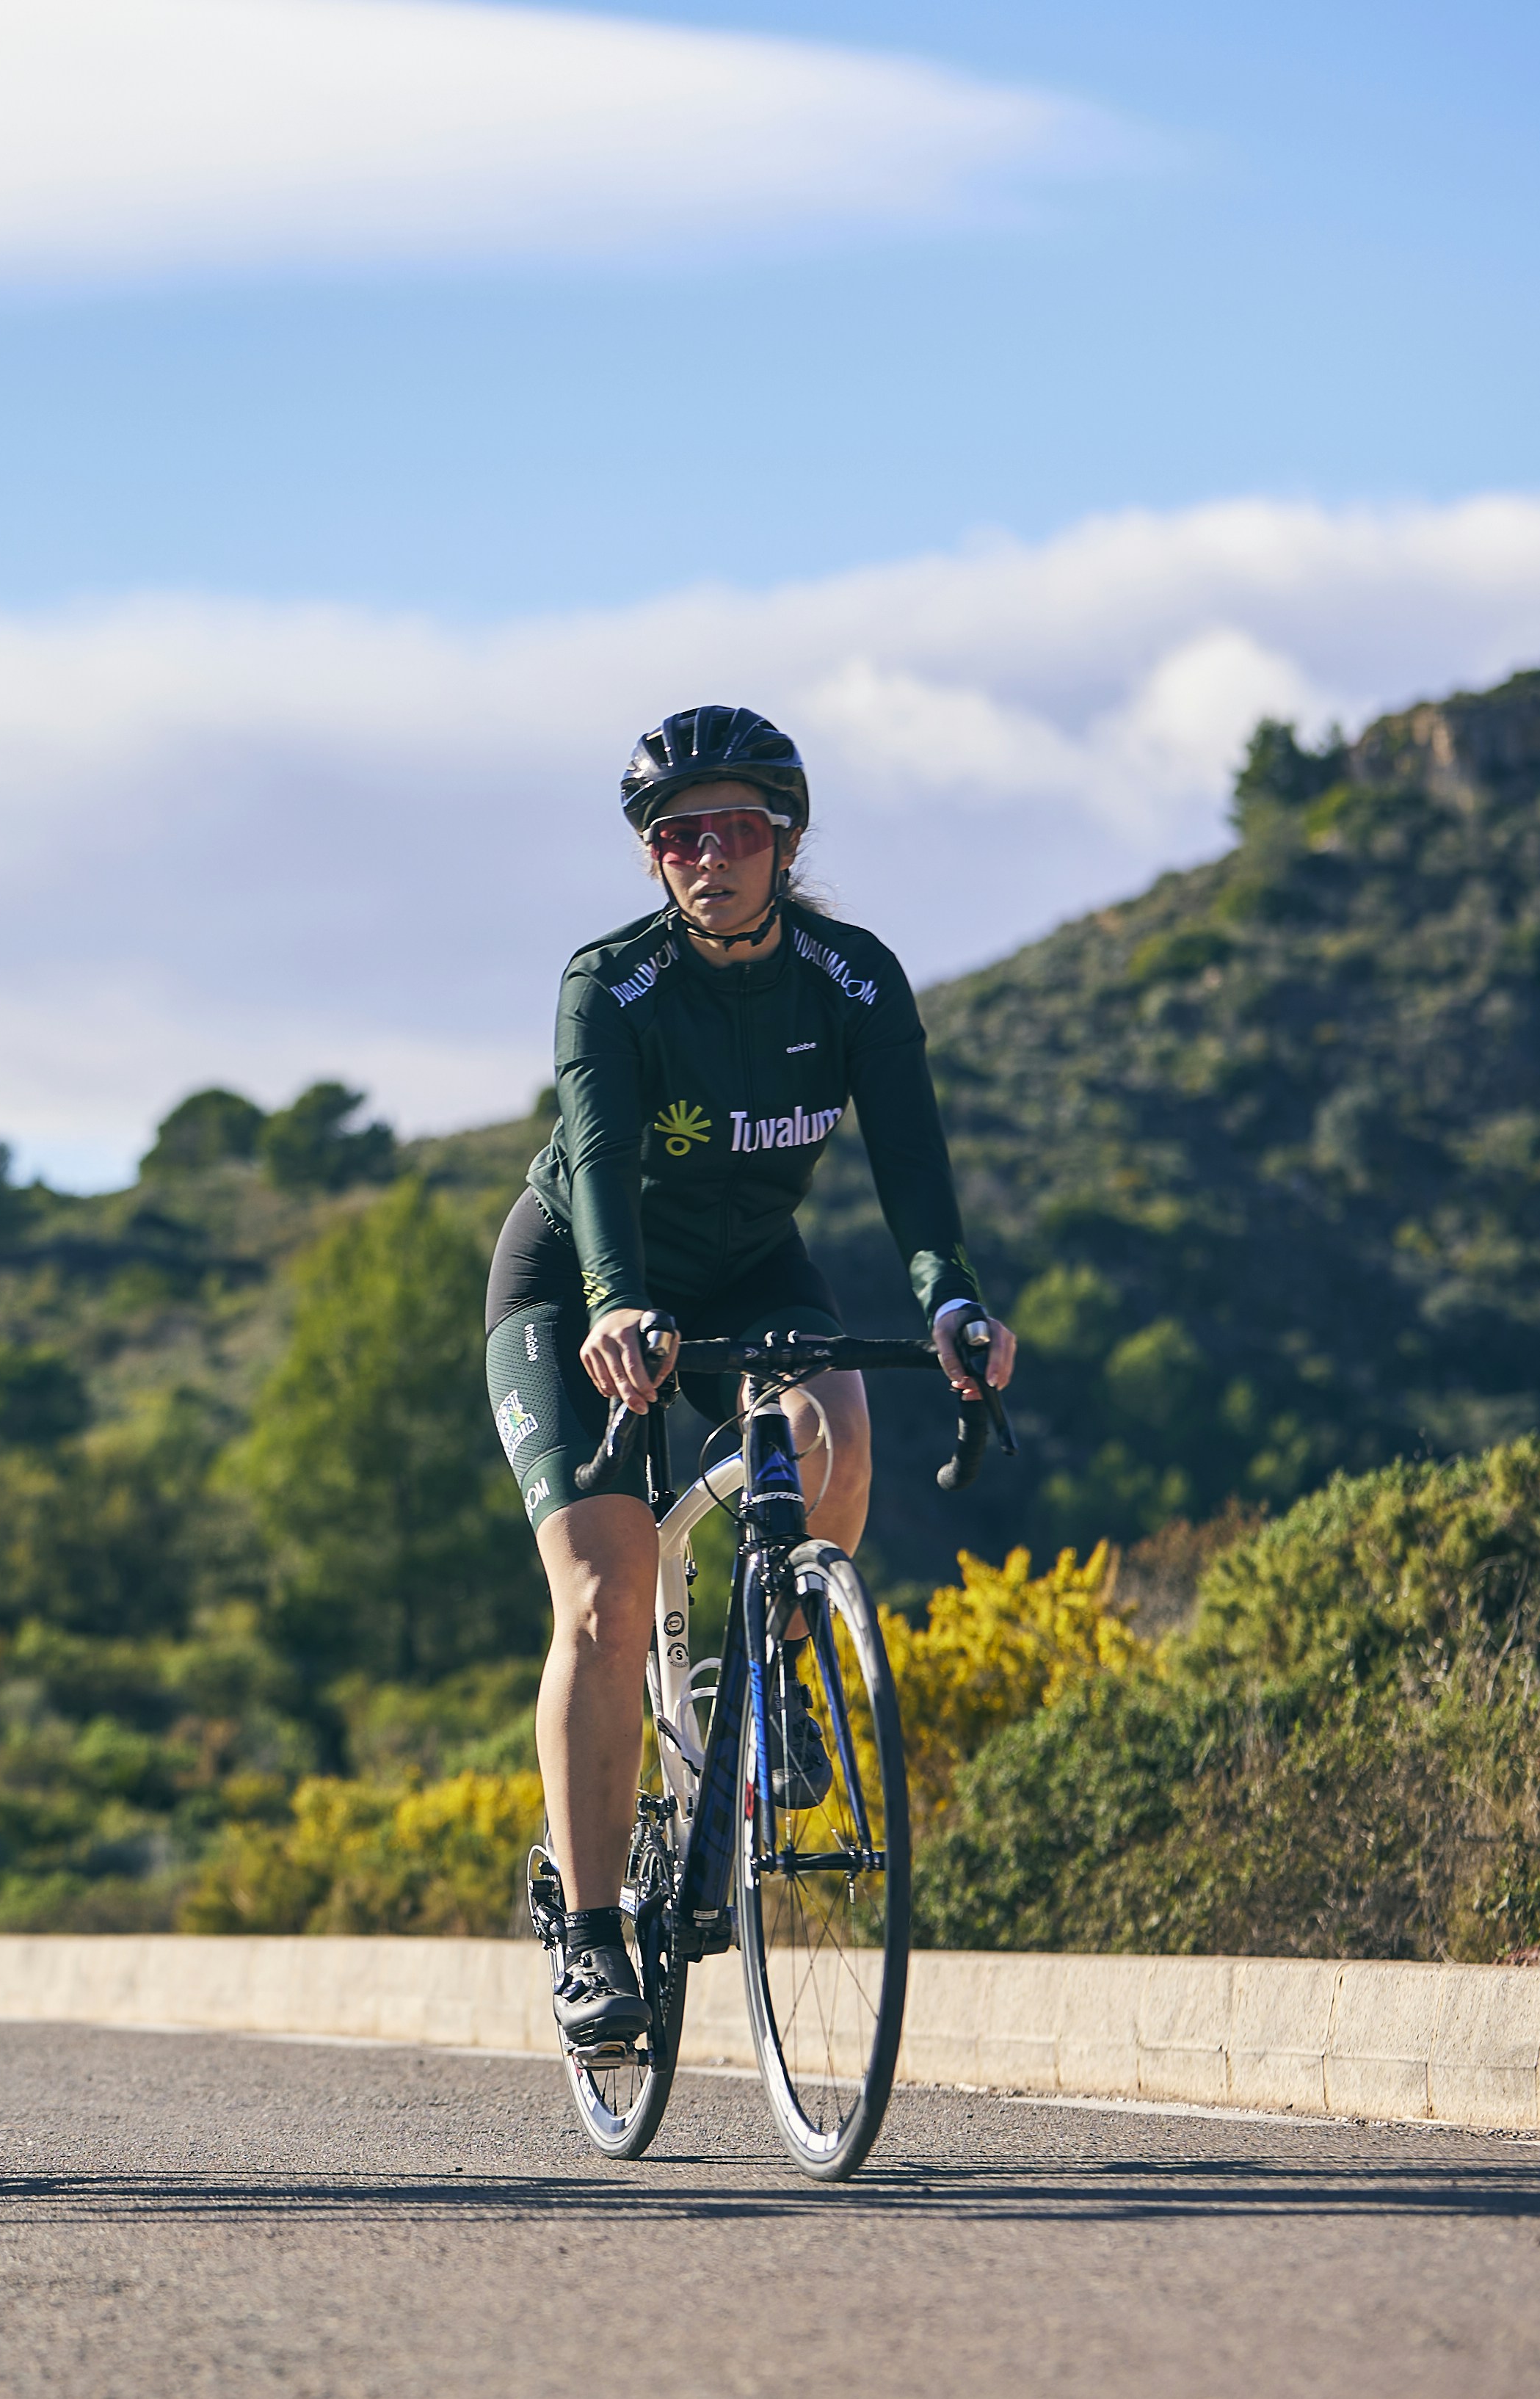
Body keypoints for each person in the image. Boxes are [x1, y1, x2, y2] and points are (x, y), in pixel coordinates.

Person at [484, 705, 1017, 2050]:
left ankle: (772, 1679)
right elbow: (599, 1162)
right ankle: (594, 1939)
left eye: (731, 831)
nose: (703, 858)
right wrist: (615, 1310)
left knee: (836, 1434)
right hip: (577, 1286)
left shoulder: (850, 979)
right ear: (653, 860)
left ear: (784, 841)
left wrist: (949, 1299)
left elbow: (912, 1169)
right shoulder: (609, 984)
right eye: (674, 838)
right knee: (604, 1602)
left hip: (751, 1268)